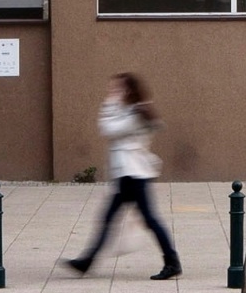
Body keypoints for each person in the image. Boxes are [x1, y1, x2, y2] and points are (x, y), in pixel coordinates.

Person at [64, 72, 181, 280]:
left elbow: (109, 129)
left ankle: (172, 262)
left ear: (127, 90)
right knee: (111, 218)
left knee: (149, 220)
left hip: (134, 175)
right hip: (127, 175)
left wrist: (109, 104)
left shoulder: (135, 113)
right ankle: (87, 261)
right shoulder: (130, 110)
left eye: (116, 89)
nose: (112, 93)